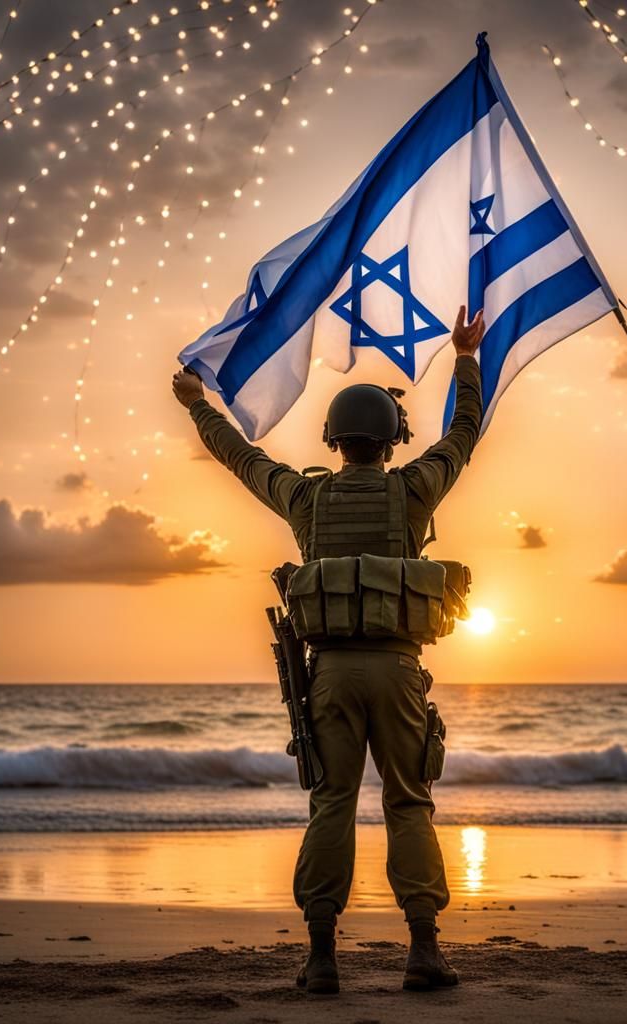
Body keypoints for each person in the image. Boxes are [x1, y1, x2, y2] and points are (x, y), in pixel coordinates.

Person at [171, 306, 485, 994]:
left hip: (330, 677)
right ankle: (424, 952)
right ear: (392, 438)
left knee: (331, 803)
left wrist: (199, 406)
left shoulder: (306, 500)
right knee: (408, 801)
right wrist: (465, 358)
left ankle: (319, 959)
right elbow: (464, 435)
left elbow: (242, 460)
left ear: (335, 438)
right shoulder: (413, 492)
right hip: (400, 672)